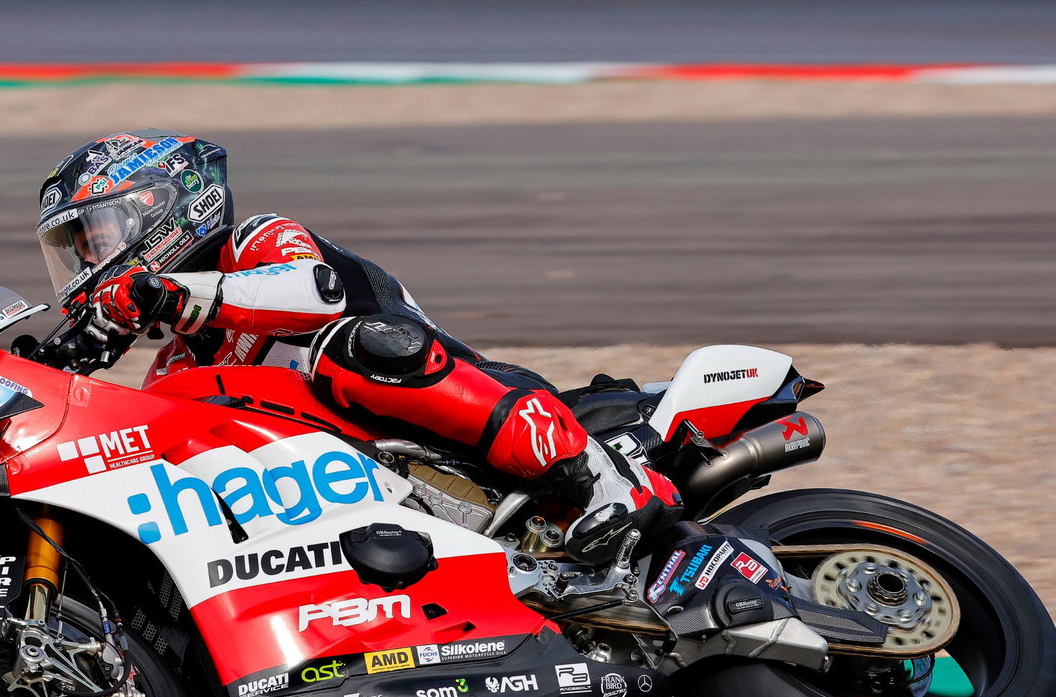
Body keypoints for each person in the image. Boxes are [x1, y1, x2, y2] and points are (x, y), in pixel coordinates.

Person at [36, 129, 681, 564]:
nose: (90, 260)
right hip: (352, 493)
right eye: (78, 251)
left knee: (356, 346)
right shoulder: (179, 360)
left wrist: (169, 293)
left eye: (94, 237)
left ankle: (594, 479)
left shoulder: (259, 240)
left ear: (160, 207)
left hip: (450, 413)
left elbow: (312, 295)